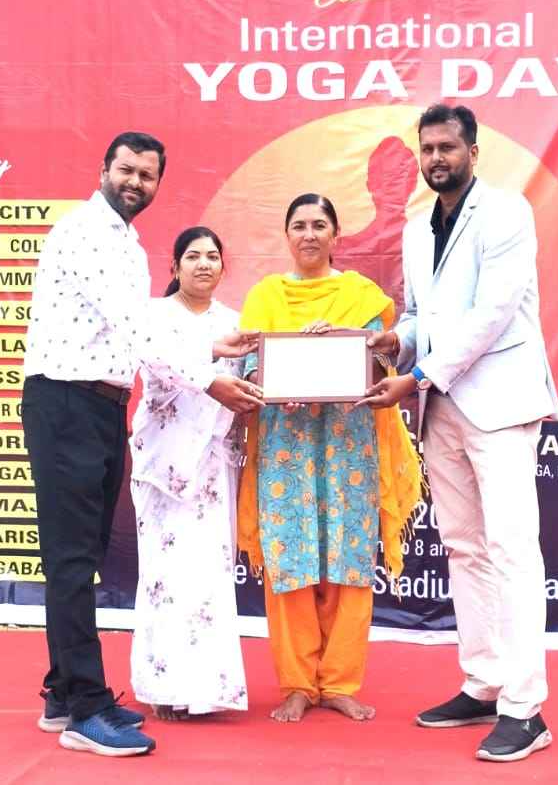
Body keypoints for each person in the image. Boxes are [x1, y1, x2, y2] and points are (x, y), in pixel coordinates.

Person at [22, 132, 262, 758]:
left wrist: (210, 347)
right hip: (65, 401)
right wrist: (208, 377)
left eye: (147, 175)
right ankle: (85, 708)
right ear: (104, 169)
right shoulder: (84, 232)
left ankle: (61, 692)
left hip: (103, 404)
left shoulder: (126, 241)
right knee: (72, 560)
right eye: (126, 170)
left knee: (84, 552)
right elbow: (136, 328)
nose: (135, 182)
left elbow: (134, 331)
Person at [360, 103, 558, 762]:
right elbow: (423, 315)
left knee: (511, 549)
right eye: (428, 149)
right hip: (442, 407)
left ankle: (525, 709)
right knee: (464, 547)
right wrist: (396, 342)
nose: (436, 158)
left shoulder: (506, 213)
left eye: (447, 147)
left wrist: (417, 376)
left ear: (473, 152)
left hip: (498, 403)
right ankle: (484, 681)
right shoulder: (418, 230)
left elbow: (491, 315)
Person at [235, 193, 423, 724]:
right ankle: (296, 684)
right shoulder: (265, 296)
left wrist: (350, 343)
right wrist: (274, 382)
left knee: (348, 560)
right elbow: (251, 368)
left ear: (336, 235)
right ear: (286, 235)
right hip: (285, 445)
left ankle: (340, 682)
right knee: (290, 561)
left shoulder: (362, 297)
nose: (309, 234)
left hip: (349, 444)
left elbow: (382, 365)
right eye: (299, 225)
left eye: (320, 225)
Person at [128, 226, 250, 721]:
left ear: (223, 267)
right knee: (165, 575)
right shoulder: (153, 316)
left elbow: (247, 383)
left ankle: (205, 691)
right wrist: (213, 355)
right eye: (193, 256)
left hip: (214, 467)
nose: (204, 264)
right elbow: (159, 366)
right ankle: (162, 687)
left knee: (208, 578)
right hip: (164, 467)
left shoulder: (235, 322)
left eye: (213, 256)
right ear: (175, 266)